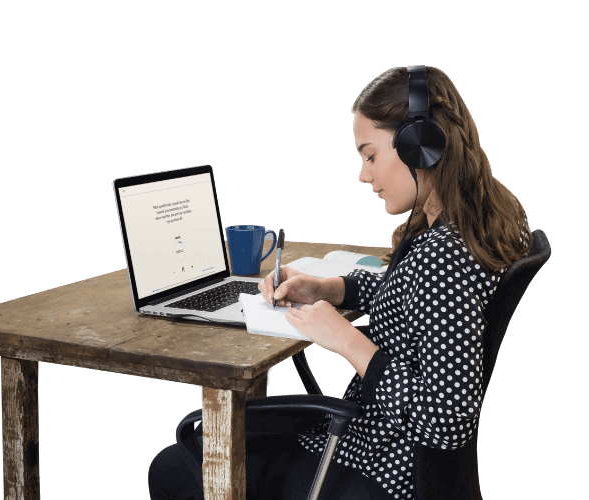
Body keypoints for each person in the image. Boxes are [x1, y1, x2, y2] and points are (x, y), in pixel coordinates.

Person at [147, 65, 531, 500]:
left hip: (382, 465)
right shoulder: (492, 217)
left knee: (177, 462)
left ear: (419, 146)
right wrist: (330, 288)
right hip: (395, 452)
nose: (364, 175)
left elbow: (445, 422)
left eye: (370, 156)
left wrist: (347, 339)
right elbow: (417, 301)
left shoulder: (443, 257)